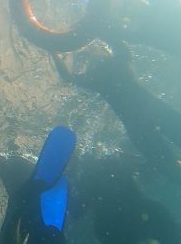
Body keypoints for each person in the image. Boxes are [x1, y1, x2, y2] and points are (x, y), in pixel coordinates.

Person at [53, 43, 181, 184]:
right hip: (156, 112)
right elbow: (120, 44)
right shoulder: (119, 61)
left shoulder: (96, 79)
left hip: (137, 127)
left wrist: (54, 53)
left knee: (169, 167)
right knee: (170, 163)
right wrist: (105, 30)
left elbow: (68, 77)